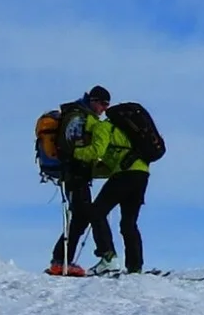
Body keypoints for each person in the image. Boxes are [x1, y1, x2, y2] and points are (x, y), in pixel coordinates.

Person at [73, 98, 152, 275]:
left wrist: (75, 153)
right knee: (128, 223)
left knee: (96, 212)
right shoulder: (124, 131)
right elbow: (111, 163)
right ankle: (135, 266)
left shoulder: (103, 127)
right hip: (142, 173)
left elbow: (96, 151)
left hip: (125, 174)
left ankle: (108, 257)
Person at [46, 85, 114, 276]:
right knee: (85, 214)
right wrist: (81, 156)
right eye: (102, 104)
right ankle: (62, 260)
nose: (104, 109)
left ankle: (60, 260)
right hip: (74, 173)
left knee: (80, 218)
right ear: (93, 101)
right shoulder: (78, 116)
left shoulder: (84, 116)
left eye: (107, 105)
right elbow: (69, 145)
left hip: (78, 173)